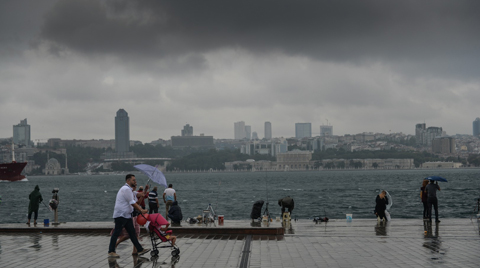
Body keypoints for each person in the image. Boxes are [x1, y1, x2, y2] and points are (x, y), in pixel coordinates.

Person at [108, 174, 150, 258]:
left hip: (126, 216)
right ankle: (111, 251)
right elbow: (132, 202)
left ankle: (139, 249)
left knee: (132, 233)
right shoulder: (126, 189)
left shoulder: (130, 190)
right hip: (121, 215)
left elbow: (138, 194)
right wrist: (141, 210)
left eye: (135, 180)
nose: (135, 181)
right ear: (128, 181)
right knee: (116, 233)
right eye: (133, 180)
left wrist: (145, 190)